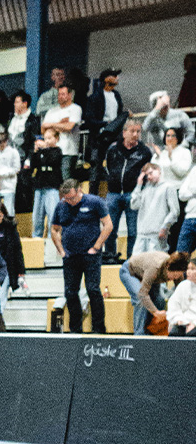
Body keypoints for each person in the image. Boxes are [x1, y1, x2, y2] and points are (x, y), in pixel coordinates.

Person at [51, 179, 112, 333]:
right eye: (66, 199)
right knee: (70, 292)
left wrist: (96, 246)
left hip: (90, 254)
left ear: (79, 191)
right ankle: (75, 329)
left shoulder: (94, 202)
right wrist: (61, 250)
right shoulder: (61, 206)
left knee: (93, 289)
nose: (69, 201)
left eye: (72, 198)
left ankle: (99, 328)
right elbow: (54, 229)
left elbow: (108, 225)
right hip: (70, 255)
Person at [102, 120, 153, 262]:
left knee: (133, 230)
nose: (135, 134)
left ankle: (132, 258)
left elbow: (147, 172)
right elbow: (107, 166)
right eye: (132, 131)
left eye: (138, 131)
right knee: (110, 228)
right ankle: (110, 256)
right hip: (113, 193)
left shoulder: (144, 152)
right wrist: (112, 180)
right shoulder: (113, 149)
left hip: (133, 194)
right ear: (124, 133)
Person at [120, 251, 188, 335]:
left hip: (150, 277)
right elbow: (142, 294)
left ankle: (152, 331)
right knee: (140, 299)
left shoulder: (177, 272)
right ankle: (139, 335)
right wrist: (156, 312)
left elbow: (181, 294)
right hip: (130, 271)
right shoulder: (154, 268)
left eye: (178, 276)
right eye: (174, 276)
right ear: (167, 267)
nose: (175, 278)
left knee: (160, 301)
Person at [131, 163, 181, 255]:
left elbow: (175, 211)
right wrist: (138, 185)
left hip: (157, 233)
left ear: (158, 170)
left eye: (151, 173)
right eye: (147, 175)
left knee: (156, 260)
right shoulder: (146, 188)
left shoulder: (168, 187)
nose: (149, 177)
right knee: (136, 260)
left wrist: (165, 227)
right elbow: (134, 205)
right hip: (142, 233)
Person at [29, 127, 64, 239]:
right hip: (40, 186)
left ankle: (52, 238)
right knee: (37, 216)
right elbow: (33, 165)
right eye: (45, 138)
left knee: (52, 214)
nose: (47, 141)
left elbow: (52, 160)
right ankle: (36, 237)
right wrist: (35, 152)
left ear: (56, 139)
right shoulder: (41, 151)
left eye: (49, 138)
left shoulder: (57, 151)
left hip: (52, 186)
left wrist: (45, 149)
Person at [42, 85, 83, 180]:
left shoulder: (75, 109)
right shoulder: (51, 111)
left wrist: (51, 125)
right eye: (59, 94)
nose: (60, 96)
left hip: (68, 152)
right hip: (51, 151)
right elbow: (43, 129)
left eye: (63, 94)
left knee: (66, 180)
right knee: (53, 179)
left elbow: (69, 127)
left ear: (70, 95)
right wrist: (61, 123)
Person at [166, 257, 196, 336]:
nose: (188, 272)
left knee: (192, 333)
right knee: (175, 332)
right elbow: (173, 305)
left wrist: (194, 323)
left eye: (192, 269)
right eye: (188, 268)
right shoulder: (183, 285)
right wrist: (179, 319)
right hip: (184, 322)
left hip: (194, 323)